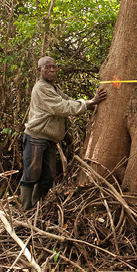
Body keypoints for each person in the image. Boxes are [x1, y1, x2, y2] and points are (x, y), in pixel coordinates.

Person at [20, 56, 107, 210]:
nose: (52, 70)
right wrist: (88, 103)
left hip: (50, 139)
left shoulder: (53, 88)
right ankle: (26, 209)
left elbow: (68, 100)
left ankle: (35, 207)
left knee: (48, 177)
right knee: (32, 174)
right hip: (36, 137)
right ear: (39, 70)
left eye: (54, 67)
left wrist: (89, 104)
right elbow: (61, 107)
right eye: (47, 67)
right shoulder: (41, 88)